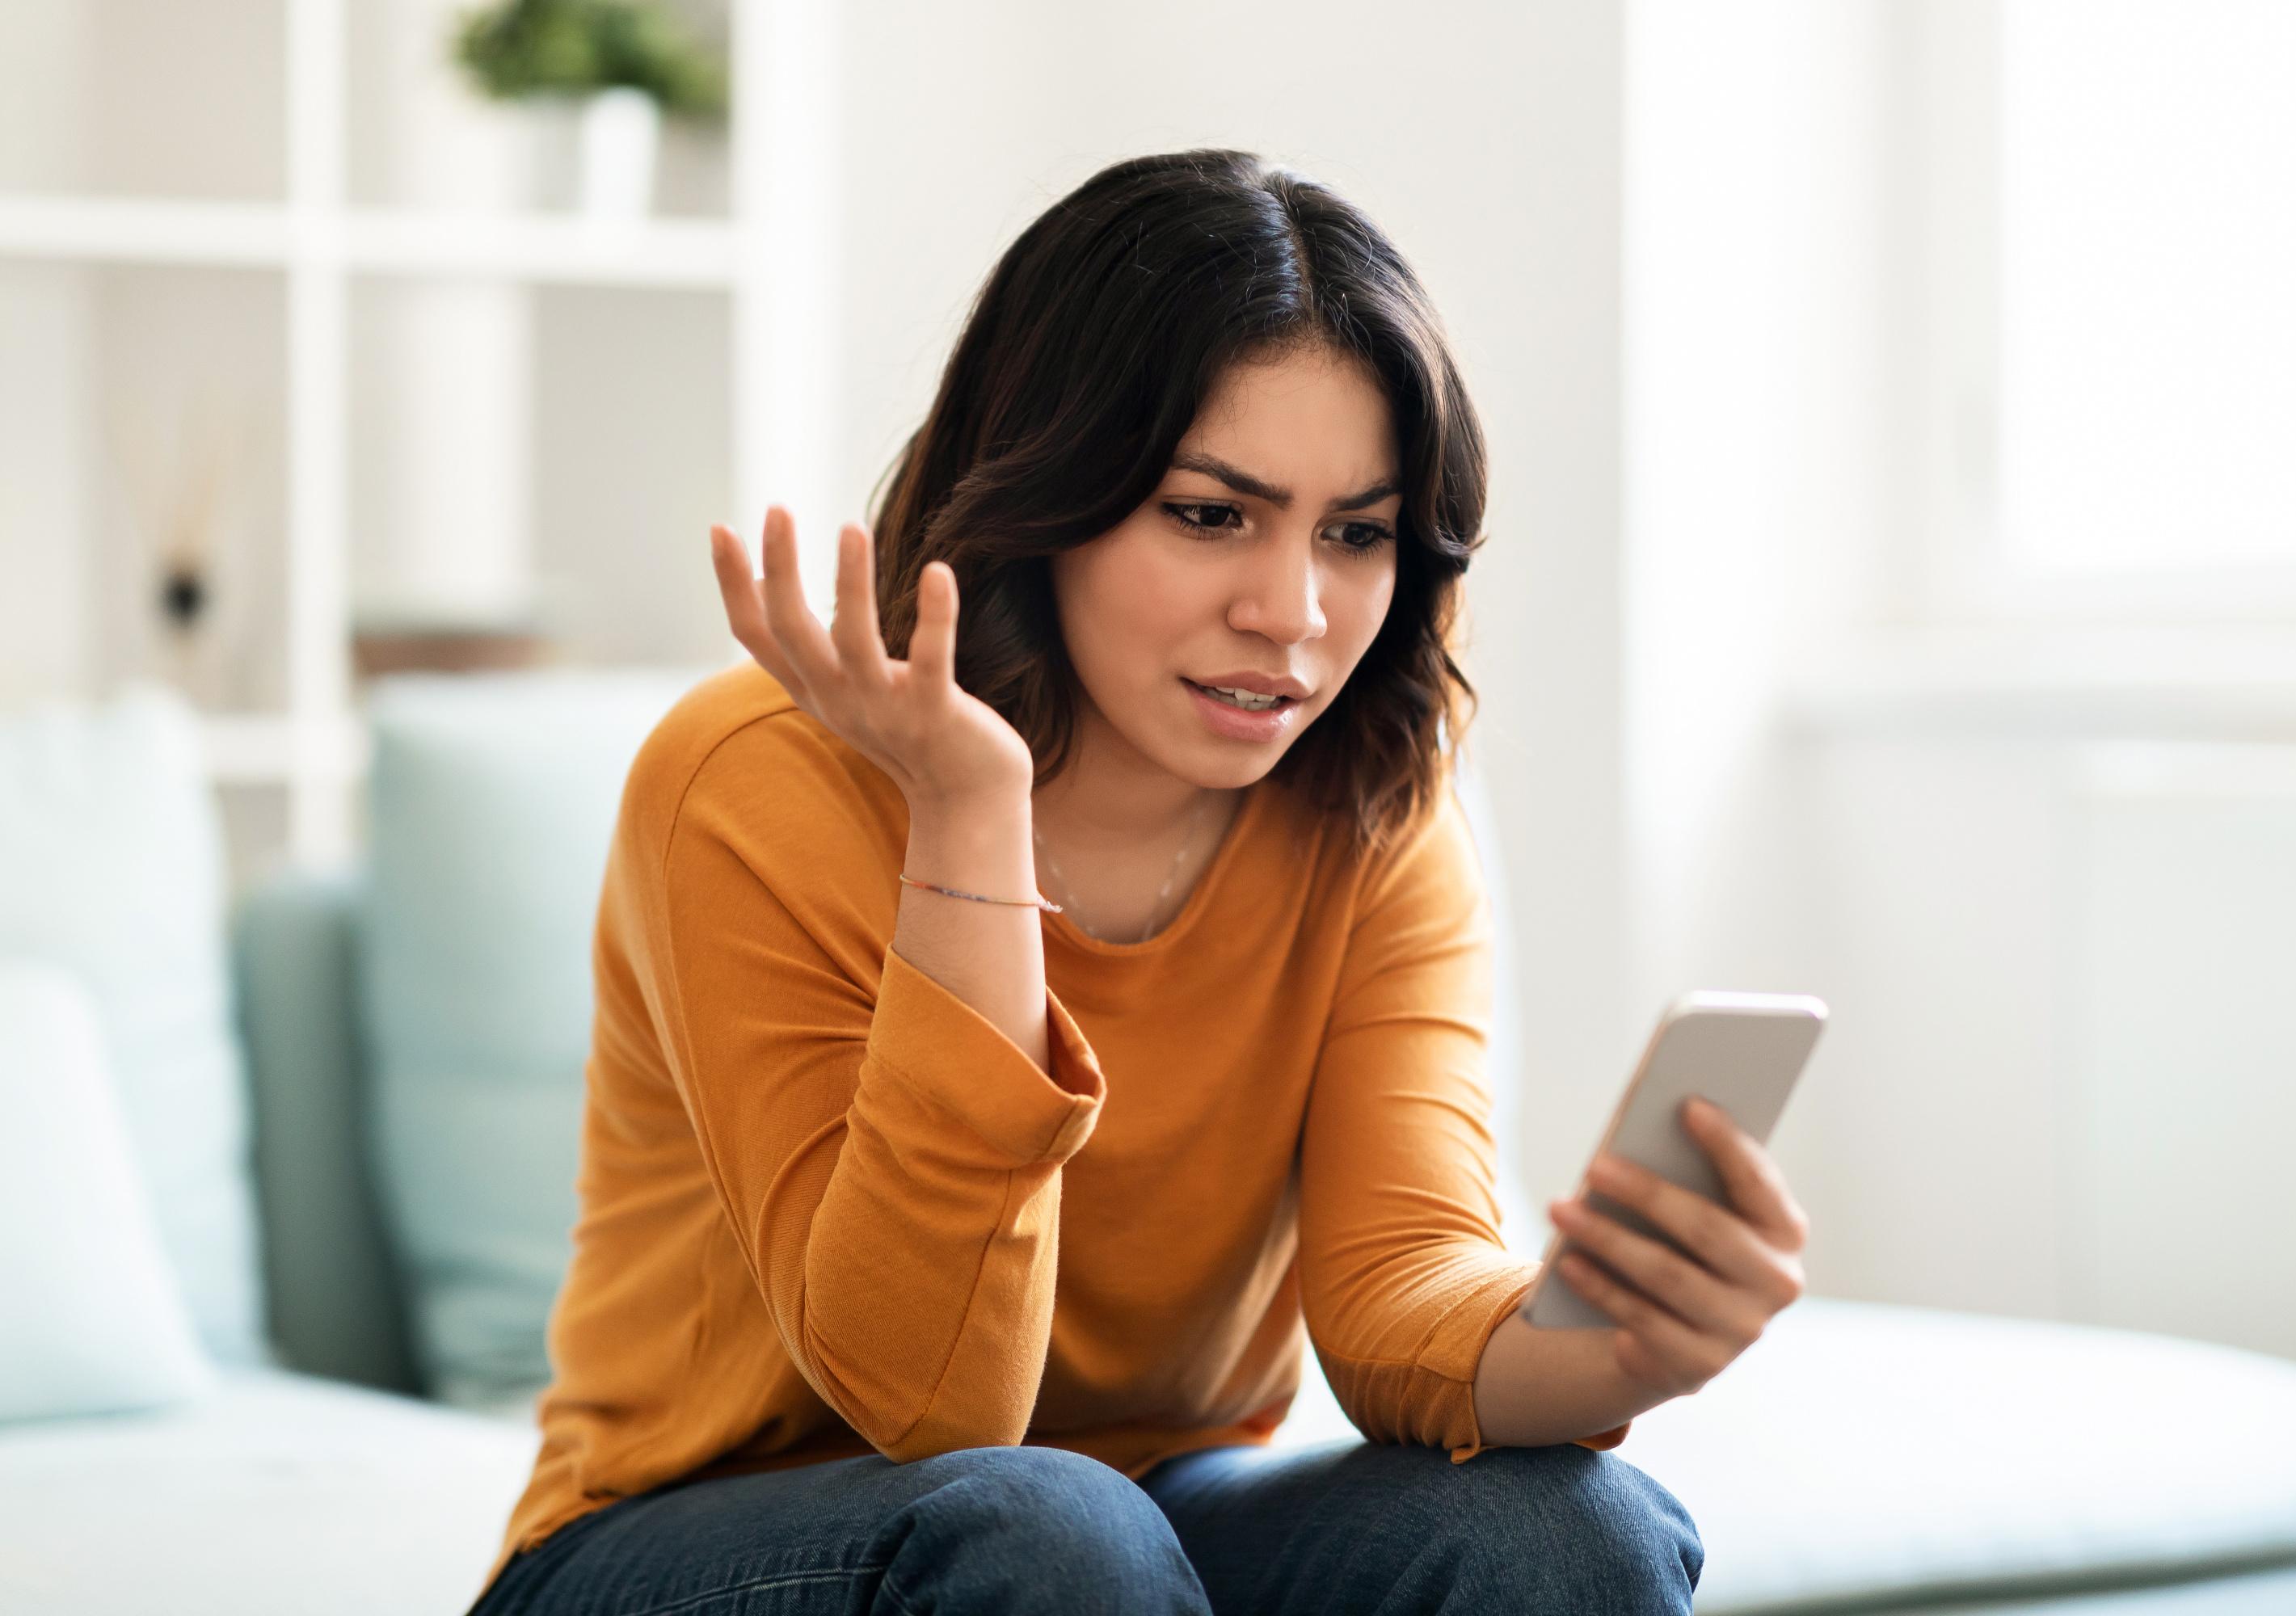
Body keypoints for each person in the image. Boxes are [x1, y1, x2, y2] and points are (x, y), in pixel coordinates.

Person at [469, 147, 1809, 1616]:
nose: (1290, 614)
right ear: (1049, 488)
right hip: (689, 1541)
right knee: (1045, 1530)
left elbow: (1396, 1296)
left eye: (1354, 534)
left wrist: (1617, 1352)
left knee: (1568, 1528)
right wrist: (968, 818)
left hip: (1137, 1527)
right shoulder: (749, 780)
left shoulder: (1377, 810)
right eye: (1209, 513)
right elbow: (933, 1404)